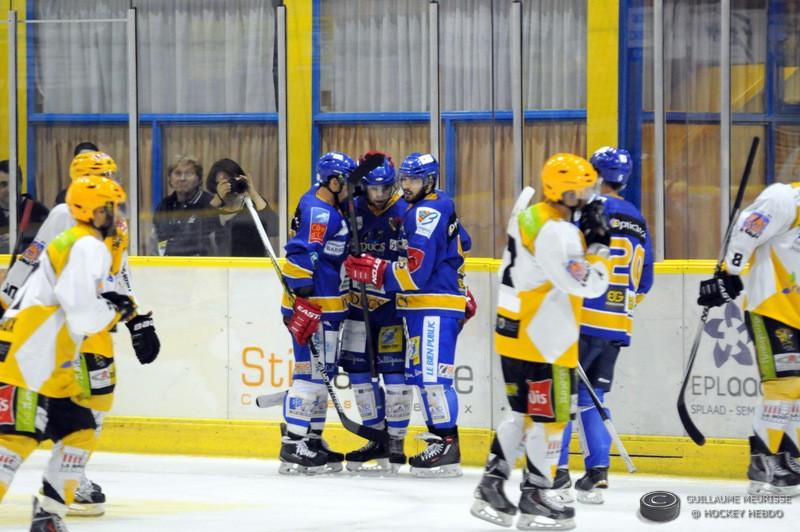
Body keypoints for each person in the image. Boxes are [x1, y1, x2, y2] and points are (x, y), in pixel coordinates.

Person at [0, 151, 161, 517]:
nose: (112, 188)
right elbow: (35, 262)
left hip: (71, 333)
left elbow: (117, 275)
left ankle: (58, 501)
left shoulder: (107, 228)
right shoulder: (69, 222)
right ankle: (63, 494)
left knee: (89, 413)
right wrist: (5, 303)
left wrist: (137, 317)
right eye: (102, 178)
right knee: (20, 435)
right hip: (48, 338)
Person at [469, 153, 610, 530]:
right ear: (560, 191)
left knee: (522, 414)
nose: (586, 197)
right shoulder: (559, 233)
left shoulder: (529, 215)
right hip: (544, 339)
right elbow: (588, 284)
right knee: (552, 420)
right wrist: (599, 246)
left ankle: (491, 485)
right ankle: (536, 494)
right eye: (580, 191)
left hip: (514, 332)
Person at [344, 152, 474, 478]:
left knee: (432, 380)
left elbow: (415, 273)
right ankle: (440, 442)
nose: (406, 186)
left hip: (432, 306)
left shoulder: (426, 212)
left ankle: (447, 445)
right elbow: (464, 241)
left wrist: (377, 270)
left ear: (429, 181)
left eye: (413, 180)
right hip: (423, 307)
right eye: (404, 179)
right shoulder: (431, 205)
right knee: (422, 377)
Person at [551, 147, 655, 505]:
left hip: (582, 317)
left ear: (595, 175)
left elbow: (567, 259)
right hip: (617, 325)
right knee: (594, 397)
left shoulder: (591, 211)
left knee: (561, 396)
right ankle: (597, 472)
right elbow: (644, 283)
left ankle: (557, 471)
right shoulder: (638, 218)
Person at [697, 180, 800, 496]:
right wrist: (729, 276)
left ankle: (788, 455)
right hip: (772, 308)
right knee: (784, 385)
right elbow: (746, 233)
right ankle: (762, 461)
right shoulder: (786, 199)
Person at [278, 151, 353, 475]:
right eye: (347, 183)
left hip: (328, 306)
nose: (352, 190)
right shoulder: (321, 213)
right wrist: (303, 296)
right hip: (316, 308)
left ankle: (311, 438)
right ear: (334, 182)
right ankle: (293, 445)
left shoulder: (323, 204)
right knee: (310, 376)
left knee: (322, 376)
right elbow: (298, 254)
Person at [339, 154, 414, 473]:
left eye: (386, 188)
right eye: (374, 189)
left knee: (395, 375)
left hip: (392, 308)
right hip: (357, 306)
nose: (380, 195)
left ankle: (395, 441)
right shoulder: (350, 205)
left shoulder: (407, 210)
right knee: (358, 375)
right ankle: (375, 435)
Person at [206, 158, 278, 257]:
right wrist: (217, 199)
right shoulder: (212, 208)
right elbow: (197, 234)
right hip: (220, 267)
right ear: (214, 184)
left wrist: (253, 193)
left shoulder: (251, 206)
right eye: (223, 183)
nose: (228, 186)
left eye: (231, 181)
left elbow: (274, 228)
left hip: (249, 266)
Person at [153, 154, 218, 256]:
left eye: (189, 173)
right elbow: (156, 241)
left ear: (199, 179)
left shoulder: (210, 203)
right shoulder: (164, 205)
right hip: (167, 267)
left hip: (202, 268)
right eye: (178, 173)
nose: (182, 178)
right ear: (170, 178)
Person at [0, 161, 50, 254]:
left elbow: (48, 245)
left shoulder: (38, 211)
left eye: (13, 183)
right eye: (3, 184)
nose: (9, 189)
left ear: (21, 182)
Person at [54, 141, 100, 205]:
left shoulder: (108, 195)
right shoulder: (63, 197)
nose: (88, 164)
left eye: (92, 159)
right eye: (83, 159)